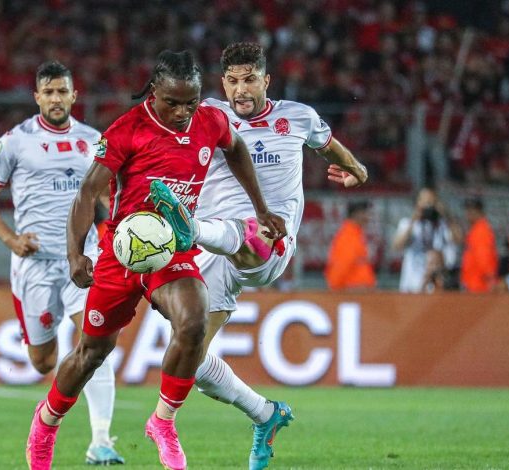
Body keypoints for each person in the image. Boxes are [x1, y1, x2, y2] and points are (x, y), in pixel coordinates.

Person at [25, 50, 286, 470]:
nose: (183, 112)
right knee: (92, 353)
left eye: (191, 102)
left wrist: (261, 208)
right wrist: (76, 253)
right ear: (153, 93)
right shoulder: (127, 129)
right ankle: (46, 424)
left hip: (171, 248)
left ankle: (163, 421)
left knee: (194, 321)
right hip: (121, 253)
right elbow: (87, 192)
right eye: (172, 103)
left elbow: (236, 147)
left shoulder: (211, 121)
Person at [149, 42, 368, 470]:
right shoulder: (207, 114)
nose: (240, 90)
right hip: (214, 254)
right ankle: (265, 414)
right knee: (190, 359)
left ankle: (189, 228)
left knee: (256, 235)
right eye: (232, 81)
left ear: (266, 80)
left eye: (249, 80)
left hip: (270, 240)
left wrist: (357, 171)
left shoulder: (298, 117)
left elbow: (330, 146)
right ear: (222, 83)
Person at [0, 61, 124, 466]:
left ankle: (101, 440)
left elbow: (105, 199)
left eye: (62, 91)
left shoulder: (93, 141)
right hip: (35, 265)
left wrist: (116, 232)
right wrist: (11, 239)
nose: (56, 99)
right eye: (49, 92)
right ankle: (55, 399)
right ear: (37, 96)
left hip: (82, 261)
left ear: (74, 95)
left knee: (97, 342)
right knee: (43, 361)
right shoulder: (15, 141)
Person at [392, 187, 461, 293]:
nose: (428, 206)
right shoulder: (407, 223)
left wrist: (446, 215)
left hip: (436, 287)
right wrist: (414, 219)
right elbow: (396, 246)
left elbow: (459, 240)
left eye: (431, 202)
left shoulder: (443, 225)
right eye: (425, 202)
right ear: (417, 203)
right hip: (411, 286)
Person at [325, 201, 376, 291]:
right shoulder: (348, 236)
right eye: (366, 213)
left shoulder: (356, 234)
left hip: (359, 292)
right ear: (357, 214)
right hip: (352, 293)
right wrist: (335, 292)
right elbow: (340, 266)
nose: (368, 217)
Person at [460, 197, 498, 292]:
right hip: (474, 284)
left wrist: (489, 278)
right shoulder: (476, 229)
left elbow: (484, 256)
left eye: (469, 210)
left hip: (479, 286)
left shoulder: (481, 230)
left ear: (477, 211)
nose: (467, 214)